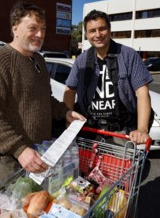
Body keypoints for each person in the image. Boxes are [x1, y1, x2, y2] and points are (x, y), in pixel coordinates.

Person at [0, 1, 85, 188]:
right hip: (10, 160)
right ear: (15, 28)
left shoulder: (39, 61)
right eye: (33, 28)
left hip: (39, 153)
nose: (40, 35)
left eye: (43, 29)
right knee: (8, 210)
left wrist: (65, 112)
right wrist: (19, 150)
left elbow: (45, 99)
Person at [64, 9, 153, 145]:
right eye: (92, 31)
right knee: (84, 166)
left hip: (121, 133)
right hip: (88, 130)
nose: (98, 34)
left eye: (102, 29)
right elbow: (69, 90)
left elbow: (143, 92)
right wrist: (68, 118)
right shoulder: (81, 60)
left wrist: (141, 129)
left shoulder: (129, 55)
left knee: (122, 166)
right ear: (86, 34)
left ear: (109, 30)